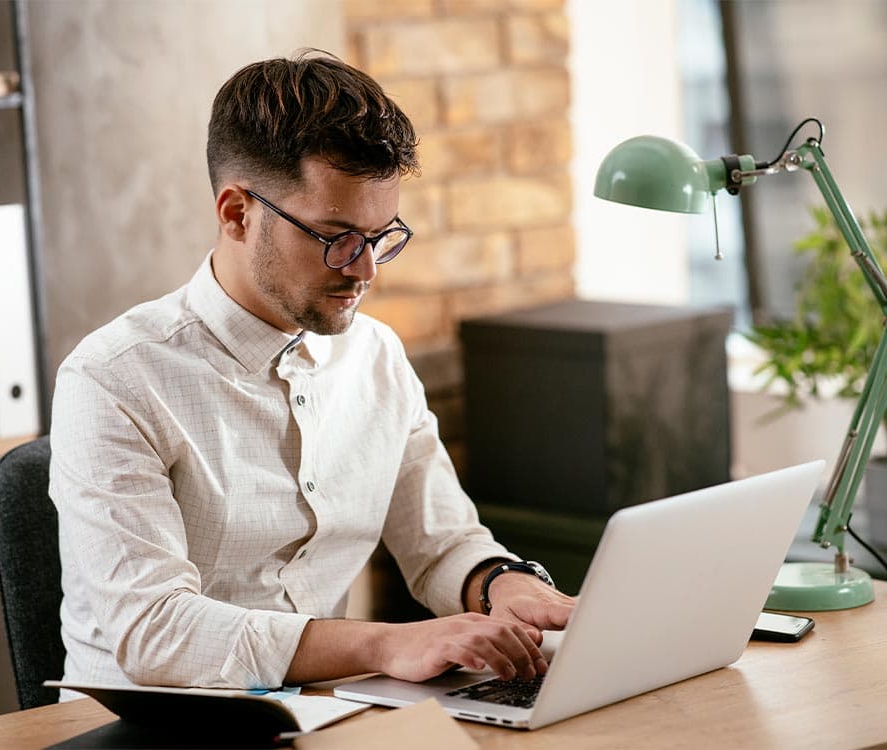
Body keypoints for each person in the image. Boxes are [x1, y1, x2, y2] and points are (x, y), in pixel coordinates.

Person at [49, 50, 575, 695]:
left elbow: (440, 544)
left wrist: (502, 584)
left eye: (383, 237)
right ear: (237, 212)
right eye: (337, 236)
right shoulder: (113, 379)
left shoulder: (375, 355)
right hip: (142, 727)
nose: (365, 270)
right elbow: (154, 631)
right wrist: (387, 643)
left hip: (328, 710)